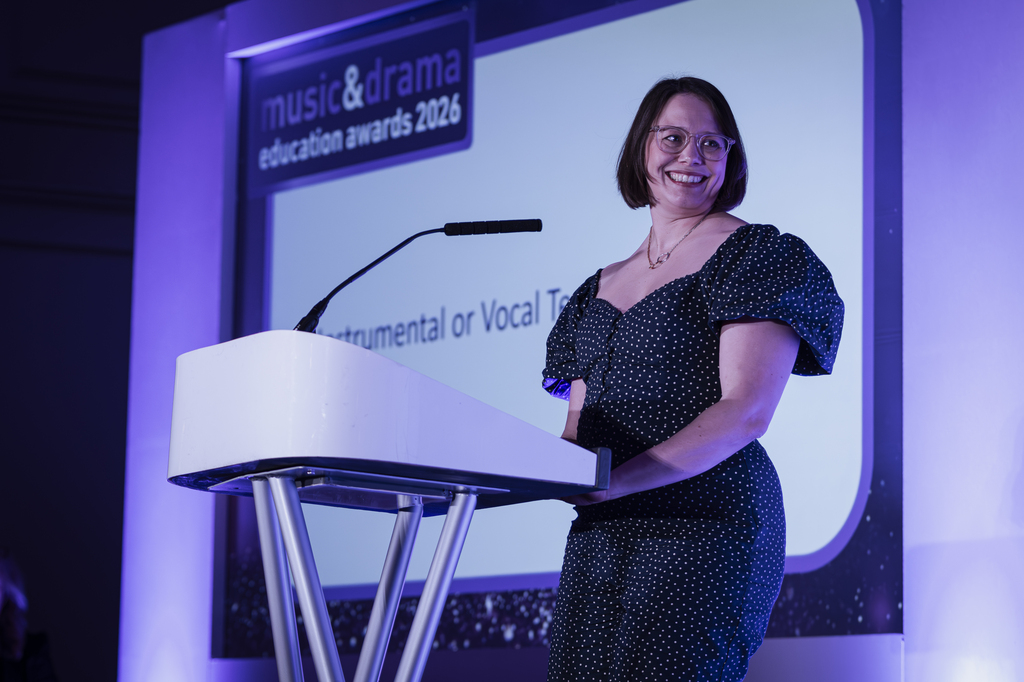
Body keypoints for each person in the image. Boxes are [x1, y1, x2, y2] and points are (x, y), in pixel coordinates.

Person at [541, 77, 843, 682]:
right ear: (641, 147)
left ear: (730, 157)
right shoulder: (596, 287)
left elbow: (746, 411)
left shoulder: (756, 256)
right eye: (674, 138)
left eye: (712, 143)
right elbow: (577, 425)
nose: (692, 156)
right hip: (602, 533)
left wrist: (615, 482)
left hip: (706, 524)